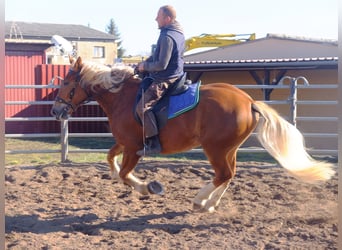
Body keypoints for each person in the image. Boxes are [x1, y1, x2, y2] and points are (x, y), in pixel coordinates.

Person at [135, 5, 185, 156]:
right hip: (176, 74)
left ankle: (153, 143)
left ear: (167, 19)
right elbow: (159, 56)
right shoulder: (178, 33)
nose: (156, 18)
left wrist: (145, 66)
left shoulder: (167, 36)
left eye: (159, 16)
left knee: (141, 107)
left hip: (166, 78)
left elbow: (161, 64)